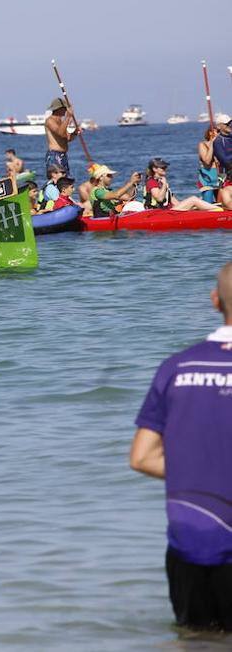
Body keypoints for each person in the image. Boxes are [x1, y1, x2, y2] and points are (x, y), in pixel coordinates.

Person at [130, 262, 232, 631]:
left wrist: (200, 475)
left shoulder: (176, 367)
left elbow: (142, 458)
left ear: (215, 300)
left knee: (194, 641)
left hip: (189, 542)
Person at [143, 158, 221, 212]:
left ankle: (217, 209)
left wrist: (192, 205)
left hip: (168, 211)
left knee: (195, 201)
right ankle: (220, 211)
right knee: (193, 199)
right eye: (162, 167)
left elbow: (175, 202)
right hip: (156, 213)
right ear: (155, 169)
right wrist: (164, 185)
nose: (165, 168)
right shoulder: (152, 182)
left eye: (165, 167)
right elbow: (159, 199)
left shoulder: (161, 182)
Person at [44, 98, 83, 178]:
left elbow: (67, 138)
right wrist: (68, 117)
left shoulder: (61, 122)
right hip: (55, 155)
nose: (66, 111)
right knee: (58, 180)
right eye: (65, 108)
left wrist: (75, 132)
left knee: (65, 180)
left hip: (63, 155)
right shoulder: (50, 121)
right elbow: (60, 134)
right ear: (59, 108)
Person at [198, 127, 222, 205]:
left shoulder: (221, 146)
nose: (219, 134)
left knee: (221, 203)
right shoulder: (202, 144)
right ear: (210, 133)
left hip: (220, 177)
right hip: (207, 178)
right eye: (217, 131)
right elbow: (207, 161)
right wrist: (212, 143)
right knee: (208, 203)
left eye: (220, 132)